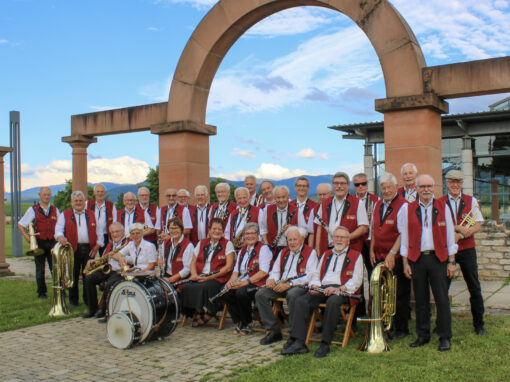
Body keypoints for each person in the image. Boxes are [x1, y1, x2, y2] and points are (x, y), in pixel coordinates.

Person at [282, 226, 363, 358]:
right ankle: (298, 342)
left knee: (332, 302)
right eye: (336, 237)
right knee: (301, 301)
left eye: (342, 237)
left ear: (348, 241)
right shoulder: (326, 254)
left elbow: (357, 280)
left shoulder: (357, 256)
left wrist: (338, 289)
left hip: (342, 290)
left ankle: (325, 343)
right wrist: (315, 285)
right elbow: (316, 274)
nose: (339, 240)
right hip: (323, 288)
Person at [400, 174, 458, 352]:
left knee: (441, 299)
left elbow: (450, 236)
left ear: (434, 187)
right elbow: (404, 238)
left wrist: (451, 261)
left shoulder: (444, 207)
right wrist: (405, 263)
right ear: (416, 188)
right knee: (420, 299)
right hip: (416, 259)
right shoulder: (407, 209)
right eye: (422, 186)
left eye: (429, 186)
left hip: (438, 258)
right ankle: (423, 335)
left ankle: (444, 336)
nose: (426, 189)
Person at [439, 170, 486, 335]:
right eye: (451, 181)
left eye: (458, 181)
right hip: (446, 251)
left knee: (474, 287)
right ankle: (441, 324)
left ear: (462, 183)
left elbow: (477, 224)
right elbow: (439, 226)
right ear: (446, 183)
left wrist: (462, 232)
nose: (455, 185)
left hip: (467, 250)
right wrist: (457, 229)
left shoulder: (470, 201)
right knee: (442, 288)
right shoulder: (440, 202)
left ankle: (479, 324)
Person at [256, 226, 319, 346]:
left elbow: (310, 276)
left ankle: (294, 333)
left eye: (295, 239)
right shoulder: (283, 252)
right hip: (282, 284)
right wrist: (271, 280)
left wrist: (289, 284)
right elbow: (275, 271)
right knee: (261, 294)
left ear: (301, 239)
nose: (292, 242)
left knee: (292, 294)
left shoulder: (311, 252)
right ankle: (273, 330)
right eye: (290, 240)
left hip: (300, 286)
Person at [369, 173, 410, 338]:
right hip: (379, 255)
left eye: (389, 187)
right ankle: (386, 325)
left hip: (395, 257)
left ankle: (401, 329)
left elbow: (403, 233)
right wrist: (371, 250)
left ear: (395, 187)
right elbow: (374, 229)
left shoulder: (403, 206)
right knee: (381, 293)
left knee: (398, 294)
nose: (386, 190)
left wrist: (392, 253)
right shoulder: (378, 204)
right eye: (383, 188)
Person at [181, 218, 235, 326]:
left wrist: (209, 277)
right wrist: (194, 274)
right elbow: (193, 262)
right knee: (187, 286)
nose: (217, 231)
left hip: (219, 278)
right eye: (214, 228)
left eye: (220, 229)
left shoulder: (227, 244)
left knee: (206, 286)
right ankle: (198, 310)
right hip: (201, 276)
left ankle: (211, 311)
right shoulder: (201, 243)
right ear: (209, 231)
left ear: (223, 232)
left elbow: (229, 267)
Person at [54, 191, 103, 306]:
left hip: (89, 249)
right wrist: (60, 236)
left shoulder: (92, 214)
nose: (78, 203)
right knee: (73, 275)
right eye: (76, 201)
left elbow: (100, 232)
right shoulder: (64, 214)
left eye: (80, 200)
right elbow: (58, 230)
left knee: (88, 275)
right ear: (71, 202)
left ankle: (88, 300)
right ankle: (73, 301)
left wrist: (97, 247)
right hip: (72, 249)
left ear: (84, 202)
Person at [222, 223, 271, 335]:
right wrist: (230, 282)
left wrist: (245, 282)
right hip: (243, 282)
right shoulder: (242, 250)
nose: (250, 236)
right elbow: (236, 270)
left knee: (241, 293)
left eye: (253, 233)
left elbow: (263, 272)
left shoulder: (263, 249)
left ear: (258, 235)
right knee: (226, 291)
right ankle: (239, 321)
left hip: (258, 283)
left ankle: (248, 322)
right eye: (247, 234)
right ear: (243, 236)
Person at [18, 187, 59, 299]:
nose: (46, 197)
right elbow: (21, 224)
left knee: (55, 268)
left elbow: (60, 226)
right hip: (39, 243)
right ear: (39, 195)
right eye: (44, 194)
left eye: (48, 195)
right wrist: (28, 238)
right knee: (40, 269)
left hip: (52, 242)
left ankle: (59, 290)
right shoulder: (33, 210)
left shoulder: (55, 210)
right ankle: (42, 292)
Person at [315, 172, 369, 256]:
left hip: (349, 250)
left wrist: (345, 238)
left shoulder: (358, 203)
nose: (339, 186)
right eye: (336, 183)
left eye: (342, 183)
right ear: (333, 186)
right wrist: (318, 248)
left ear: (348, 186)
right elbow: (319, 227)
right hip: (327, 250)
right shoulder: (324, 203)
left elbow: (364, 228)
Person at [82, 222, 128, 318]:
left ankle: (105, 311)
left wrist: (118, 258)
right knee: (89, 279)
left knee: (110, 283)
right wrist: (94, 262)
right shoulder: (109, 245)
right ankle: (93, 309)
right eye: (112, 232)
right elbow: (103, 259)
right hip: (108, 269)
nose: (114, 234)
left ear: (123, 232)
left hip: (120, 271)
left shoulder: (127, 244)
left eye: (117, 231)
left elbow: (130, 261)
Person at [260, 186, 298, 254]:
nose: (281, 200)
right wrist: (266, 244)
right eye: (278, 197)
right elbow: (263, 229)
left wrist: (293, 228)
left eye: (283, 197)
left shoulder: (297, 210)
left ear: (288, 197)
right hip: (273, 249)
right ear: (274, 198)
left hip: (291, 249)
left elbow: (304, 231)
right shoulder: (267, 210)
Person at [162, 218, 194, 283]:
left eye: (176, 228)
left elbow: (187, 269)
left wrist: (171, 279)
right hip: (166, 277)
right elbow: (160, 259)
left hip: (180, 281)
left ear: (181, 229)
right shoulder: (165, 243)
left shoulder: (188, 245)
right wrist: (159, 260)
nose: (174, 231)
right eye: (171, 228)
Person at [87, 184, 116, 255]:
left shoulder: (111, 205)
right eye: (98, 191)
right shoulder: (87, 204)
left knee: (104, 259)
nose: (100, 193)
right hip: (91, 235)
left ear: (105, 193)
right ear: (94, 192)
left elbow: (114, 222)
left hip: (106, 236)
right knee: (90, 258)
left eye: (102, 191)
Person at [290, 176, 318, 247]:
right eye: (299, 186)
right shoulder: (289, 205)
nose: (301, 188)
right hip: (292, 244)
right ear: (295, 188)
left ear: (308, 188)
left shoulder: (315, 206)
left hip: (308, 243)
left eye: (304, 186)